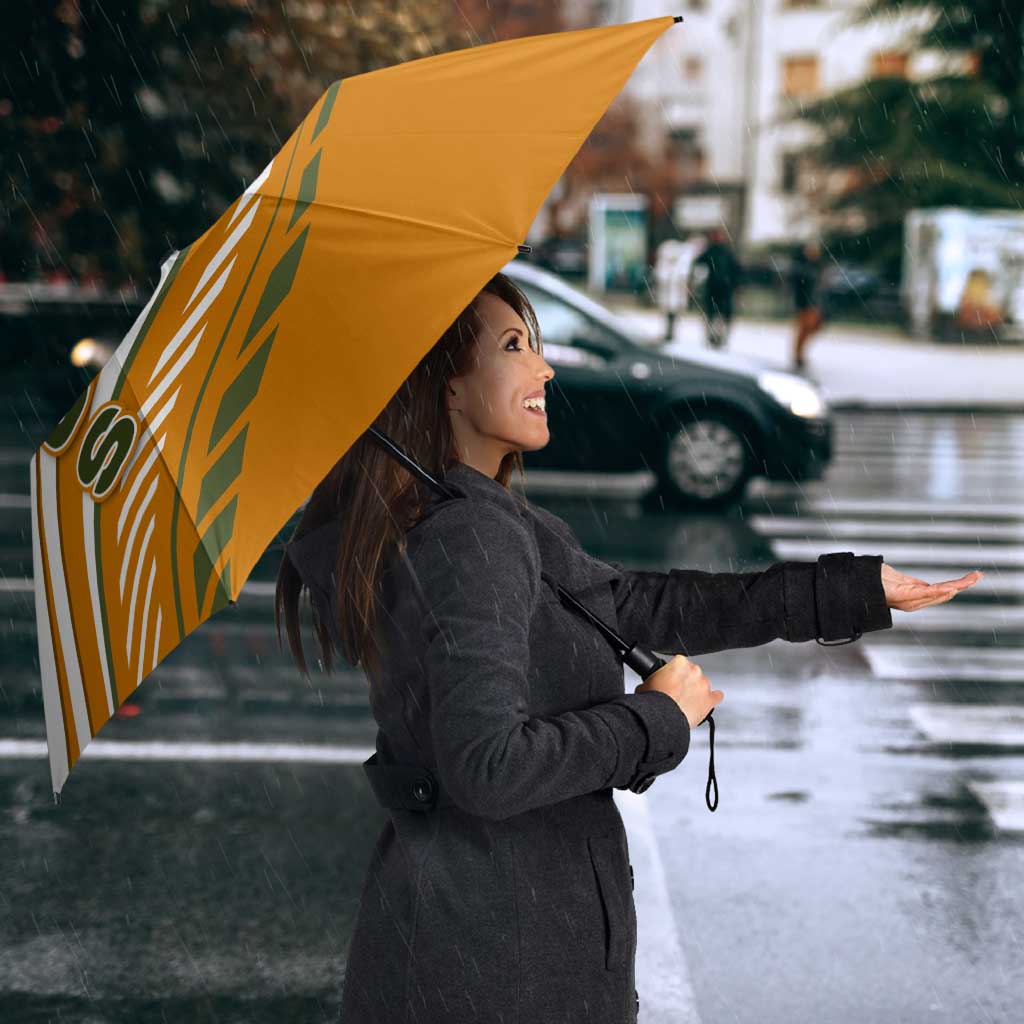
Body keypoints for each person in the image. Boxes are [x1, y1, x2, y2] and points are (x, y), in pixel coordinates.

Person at [276, 272, 982, 1024]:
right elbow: (487, 767)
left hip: (478, 944)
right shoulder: (470, 537)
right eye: (514, 346)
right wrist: (655, 719)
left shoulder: (479, 520)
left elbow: (644, 606)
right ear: (446, 388)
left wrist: (848, 590)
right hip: (497, 962)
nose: (544, 368)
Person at [692, 226, 742, 349]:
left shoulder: (725, 252)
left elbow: (736, 270)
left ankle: (719, 337)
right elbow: (698, 264)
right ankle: (713, 337)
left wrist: (735, 284)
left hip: (723, 288)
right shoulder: (712, 251)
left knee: (720, 315)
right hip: (715, 288)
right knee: (713, 314)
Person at [790, 239, 826, 370]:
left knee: (812, 328)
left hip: (814, 303)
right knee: (804, 329)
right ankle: (798, 355)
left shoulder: (817, 266)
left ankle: (799, 354)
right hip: (805, 303)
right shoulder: (802, 267)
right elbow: (799, 286)